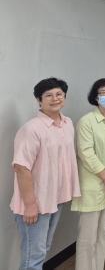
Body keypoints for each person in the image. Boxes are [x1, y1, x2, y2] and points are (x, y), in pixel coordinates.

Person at [11, 77, 80, 270]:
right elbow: (21, 167)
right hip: (35, 202)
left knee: (43, 249)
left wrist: (64, 191)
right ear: (39, 100)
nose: (55, 98)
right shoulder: (31, 128)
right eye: (49, 95)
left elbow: (64, 160)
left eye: (59, 94)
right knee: (33, 257)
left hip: (54, 199)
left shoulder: (67, 123)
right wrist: (30, 205)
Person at [72, 78, 105, 270]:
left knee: (102, 234)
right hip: (94, 184)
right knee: (87, 237)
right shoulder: (86, 121)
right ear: (96, 97)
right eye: (104, 93)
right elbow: (85, 153)